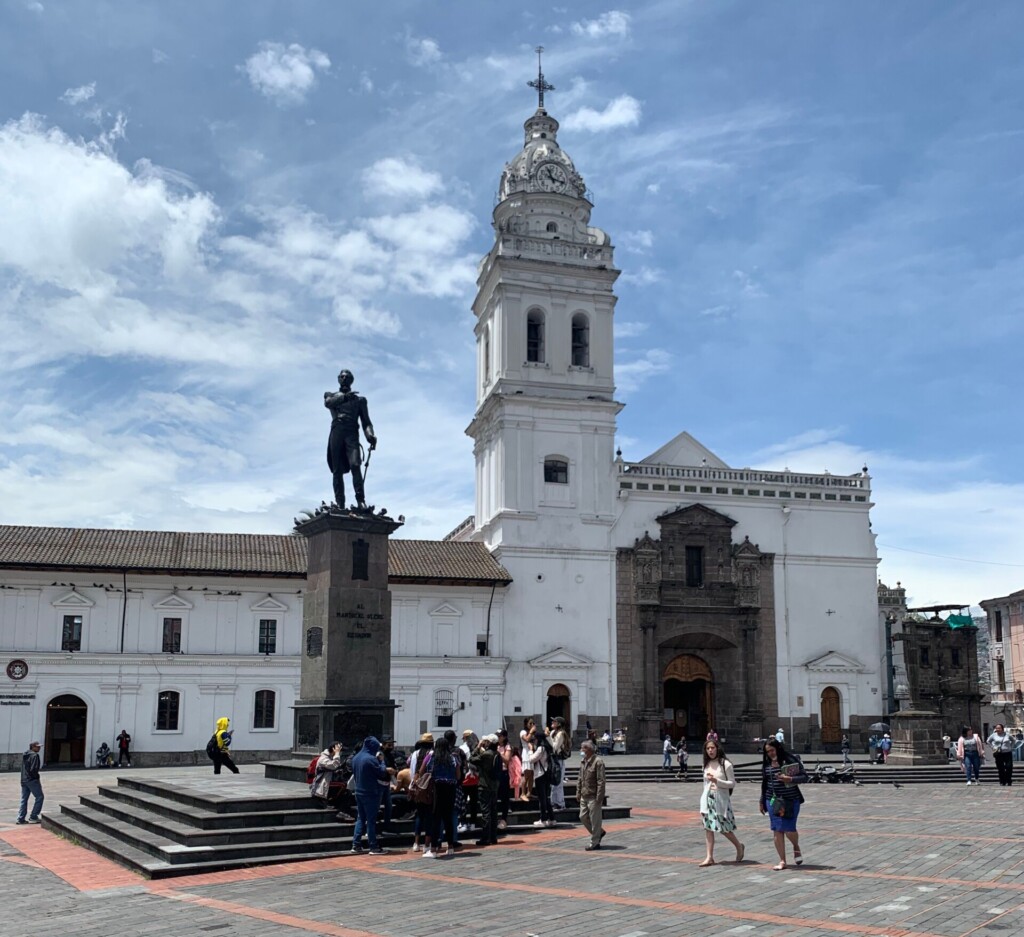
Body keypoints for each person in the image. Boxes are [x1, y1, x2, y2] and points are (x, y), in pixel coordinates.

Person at [324, 368, 376, 510]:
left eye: (347, 376)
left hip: (352, 432)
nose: (344, 378)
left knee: (355, 465)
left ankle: (360, 500)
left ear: (351, 380)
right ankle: (340, 503)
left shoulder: (360, 401)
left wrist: (370, 435)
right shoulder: (331, 395)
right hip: (337, 431)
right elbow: (329, 403)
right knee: (337, 469)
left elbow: (366, 422)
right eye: (342, 376)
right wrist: (345, 397)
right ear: (338, 378)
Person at [759, 737, 808, 870]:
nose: (770, 753)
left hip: (790, 800)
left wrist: (789, 778)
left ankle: (796, 846)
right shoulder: (767, 763)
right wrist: (762, 801)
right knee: (777, 830)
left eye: (772, 750)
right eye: (768, 751)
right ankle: (782, 861)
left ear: (778, 748)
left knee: (789, 829)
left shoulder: (789, 759)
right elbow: (765, 783)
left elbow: (804, 777)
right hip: (773, 800)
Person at [699, 739, 744, 866]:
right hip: (708, 799)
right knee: (708, 828)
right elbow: (705, 785)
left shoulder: (726, 764)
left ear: (717, 748)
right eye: (708, 749)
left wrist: (717, 781)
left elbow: (732, 783)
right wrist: (703, 802)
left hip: (721, 799)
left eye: (712, 748)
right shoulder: (706, 764)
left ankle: (739, 846)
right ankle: (709, 857)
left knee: (724, 828)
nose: (710, 751)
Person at [350, 736, 392, 855]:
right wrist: (382, 761)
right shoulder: (371, 759)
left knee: (360, 818)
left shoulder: (356, 758)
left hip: (358, 791)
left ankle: (356, 844)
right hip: (371, 792)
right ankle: (373, 846)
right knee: (371, 820)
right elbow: (382, 772)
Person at [425, 733, 460, 858]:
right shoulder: (453, 758)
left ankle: (433, 849)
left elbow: (429, 772)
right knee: (448, 818)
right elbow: (458, 775)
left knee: (436, 819)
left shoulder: (433, 758)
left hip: (437, 789)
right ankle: (450, 846)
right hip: (450, 789)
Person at [469, 734, 500, 846]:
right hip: (494, 786)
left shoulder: (487, 754)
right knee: (493, 811)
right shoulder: (497, 754)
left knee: (486, 812)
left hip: (485, 785)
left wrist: (477, 747)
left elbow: (472, 759)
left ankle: (485, 838)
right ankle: (493, 837)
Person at [408, 733, 434, 854]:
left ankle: (416, 842)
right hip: (429, 788)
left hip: (419, 787)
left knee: (419, 815)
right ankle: (427, 844)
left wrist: (414, 784)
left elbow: (413, 771)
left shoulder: (415, 754)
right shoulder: (432, 754)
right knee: (429, 815)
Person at [577, 739, 606, 851]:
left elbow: (601, 780)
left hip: (594, 796)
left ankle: (594, 842)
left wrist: (600, 796)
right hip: (584, 794)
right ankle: (599, 833)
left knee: (595, 820)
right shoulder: (583, 761)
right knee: (582, 817)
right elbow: (580, 777)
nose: (581, 750)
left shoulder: (598, 762)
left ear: (588, 749)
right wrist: (578, 791)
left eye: (582, 748)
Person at [529, 732, 556, 828]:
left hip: (540, 775)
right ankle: (552, 818)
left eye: (535, 739)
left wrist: (531, 750)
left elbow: (531, 759)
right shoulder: (548, 748)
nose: (534, 741)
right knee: (546, 797)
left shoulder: (541, 748)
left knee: (542, 798)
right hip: (547, 774)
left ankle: (543, 819)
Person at [310, 742, 344, 808]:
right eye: (339, 751)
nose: (340, 753)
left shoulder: (331, 757)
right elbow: (333, 766)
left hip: (329, 785)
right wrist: (337, 754)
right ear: (333, 750)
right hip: (321, 788)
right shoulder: (323, 759)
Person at [16, 740, 43, 824]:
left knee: (24, 799)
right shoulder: (34, 756)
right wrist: (36, 777)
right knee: (39, 797)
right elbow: (34, 768)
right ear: (33, 747)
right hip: (31, 780)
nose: (39, 748)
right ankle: (33, 816)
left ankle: (21, 818)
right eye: (37, 747)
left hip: (24, 779)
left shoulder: (25, 755)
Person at [549, 717, 570, 809]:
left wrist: (547, 738)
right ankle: (553, 802)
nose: (552, 722)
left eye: (555, 721)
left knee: (559, 782)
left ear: (559, 724)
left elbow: (555, 747)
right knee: (553, 783)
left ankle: (560, 803)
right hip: (552, 759)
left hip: (558, 760)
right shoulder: (553, 733)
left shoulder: (561, 734)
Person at [495, 728, 513, 829]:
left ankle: (504, 819)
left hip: (503, 773)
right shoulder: (495, 745)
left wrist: (499, 753)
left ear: (504, 737)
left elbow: (507, 760)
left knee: (504, 797)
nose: (498, 738)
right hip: (495, 773)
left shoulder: (507, 746)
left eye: (500, 736)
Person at [379, 736, 398, 831]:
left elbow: (393, 766)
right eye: (389, 745)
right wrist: (386, 770)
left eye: (392, 745)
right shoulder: (379, 754)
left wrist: (394, 771)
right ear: (383, 745)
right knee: (376, 807)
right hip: (378, 784)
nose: (391, 747)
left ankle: (387, 825)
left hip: (387, 783)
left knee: (389, 806)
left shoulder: (390, 755)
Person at [519, 718, 536, 800]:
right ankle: (522, 793)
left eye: (533, 723)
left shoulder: (532, 733)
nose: (532, 725)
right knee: (526, 774)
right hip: (526, 754)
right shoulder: (523, 732)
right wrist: (531, 731)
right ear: (526, 724)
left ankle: (529, 792)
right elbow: (526, 739)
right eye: (530, 723)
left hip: (532, 753)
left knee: (532, 775)